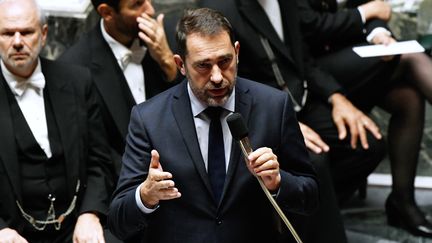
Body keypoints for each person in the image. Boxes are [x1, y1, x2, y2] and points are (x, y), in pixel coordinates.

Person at [108, 7, 318, 243]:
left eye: (225, 61)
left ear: (237, 52)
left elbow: (310, 196)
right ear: (181, 64)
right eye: (203, 66)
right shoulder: (149, 118)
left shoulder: (274, 106)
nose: (217, 76)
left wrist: (278, 181)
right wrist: (145, 196)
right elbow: (118, 220)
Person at [197, 0, 398, 242]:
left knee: (368, 144)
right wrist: (281, 120)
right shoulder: (222, 9)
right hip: (260, 110)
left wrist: (337, 98)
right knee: (315, 161)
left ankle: (302, 211)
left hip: (300, 100)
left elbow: (302, 58)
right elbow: (226, 84)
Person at [297, 0, 432, 237]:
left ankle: (402, 201)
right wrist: (364, 13)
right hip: (308, 66)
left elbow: (370, 6)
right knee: (410, 58)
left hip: (349, 53)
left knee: (408, 98)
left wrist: (380, 33)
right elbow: (308, 25)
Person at [0, 0, 114, 242]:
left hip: (75, 227)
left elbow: (100, 161)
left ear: (43, 34)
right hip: (13, 232)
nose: (18, 41)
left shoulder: (77, 80)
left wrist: (90, 213)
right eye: (8, 33)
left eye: (27, 32)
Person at [59, 0, 178, 177]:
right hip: (124, 185)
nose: (151, 10)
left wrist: (168, 63)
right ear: (107, 12)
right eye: (137, 5)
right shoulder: (75, 68)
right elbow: (96, 154)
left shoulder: (169, 34)